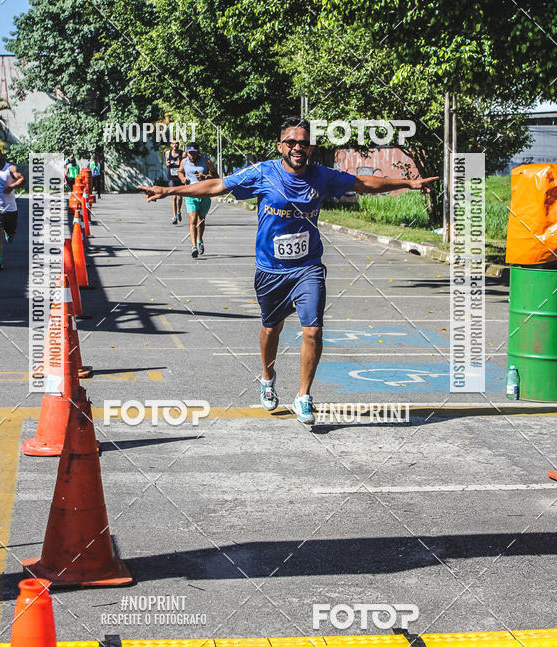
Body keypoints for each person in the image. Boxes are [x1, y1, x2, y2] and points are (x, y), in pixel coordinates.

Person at [138, 118, 437, 424]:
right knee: (272, 329)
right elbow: (217, 185)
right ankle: (267, 377)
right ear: (281, 146)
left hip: (308, 268)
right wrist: (168, 190)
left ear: (310, 147)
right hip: (270, 270)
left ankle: (304, 396)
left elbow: (362, 183)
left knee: (313, 330)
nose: (298, 147)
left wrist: (408, 183)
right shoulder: (262, 173)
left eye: (304, 142)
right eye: (291, 142)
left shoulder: (321, 176)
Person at [177, 143, 217, 257]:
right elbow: (180, 171)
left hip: (204, 194)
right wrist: (182, 178)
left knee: (201, 220)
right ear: (187, 153)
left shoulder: (206, 161)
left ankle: (200, 240)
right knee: (193, 220)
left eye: (194, 153)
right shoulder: (184, 162)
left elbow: (216, 175)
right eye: (190, 153)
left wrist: (205, 177)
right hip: (190, 193)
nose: (192, 155)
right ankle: (193, 247)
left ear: (198, 152)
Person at [165, 140, 184, 224]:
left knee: (179, 197)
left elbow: (185, 164)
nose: (175, 145)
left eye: (177, 143)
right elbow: (166, 162)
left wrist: (181, 164)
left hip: (180, 177)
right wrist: (167, 163)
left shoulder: (183, 154)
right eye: (173, 143)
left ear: (178, 145)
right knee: (174, 197)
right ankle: (174, 216)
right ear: (171, 145)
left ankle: (179, 211)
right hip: (172, 177)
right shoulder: (167, 153)